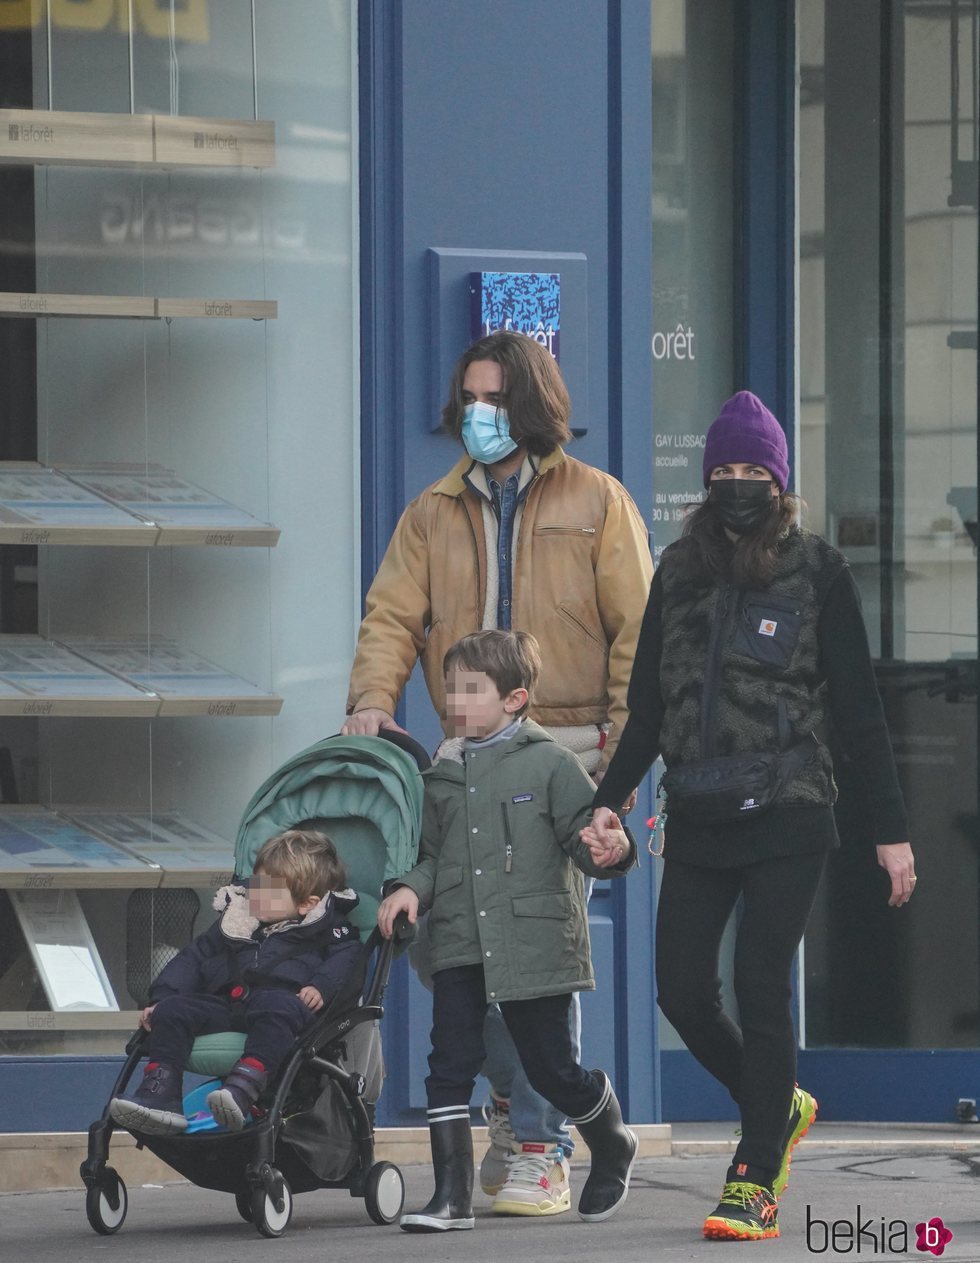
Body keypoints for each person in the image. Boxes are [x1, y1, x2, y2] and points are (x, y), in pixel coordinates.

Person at [590, 391, 917, 1242]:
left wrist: (891, 832)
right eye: (724, 471)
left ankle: (754, 1173)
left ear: (780, 480)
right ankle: (777, 1103)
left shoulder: (820, 571)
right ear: (707, 482)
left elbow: (859, 713)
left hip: (790, 808)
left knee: (762, 986)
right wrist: (608, 797)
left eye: (754, 471)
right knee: (682, 989)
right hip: (698, 811)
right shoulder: (677, 570)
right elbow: (648, 707)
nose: (739, 484)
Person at [342, 329, 652, 1214]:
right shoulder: (431, 512)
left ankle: (541, 1142)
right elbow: (392, 614)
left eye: (494, 398)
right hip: (460, 752)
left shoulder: (599, 501)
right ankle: (523, 1114)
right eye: (468, 398)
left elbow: (641, 635)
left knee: (532, 950)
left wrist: (623, 766)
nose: (478, 414)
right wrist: (372, 695)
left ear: (531, 402)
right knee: (455, 953)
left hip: (564, 753)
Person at [377, 629, 638, 1233]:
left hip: (533, 946)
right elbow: (431, 856)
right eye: (449, 690)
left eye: (471, 690)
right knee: (448, 1064)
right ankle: (450, 1198)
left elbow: (586, 841)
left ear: (515, 698)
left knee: (549, 1070)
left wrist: (612, 849)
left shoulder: (552, 763)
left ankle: (612, 1139)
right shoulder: (441, 775)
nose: (455, 702)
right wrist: (410, 889)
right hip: (462, 942)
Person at [109, 829, 361, 1136]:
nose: (255, 894)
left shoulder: (329, 931)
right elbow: (194, 958)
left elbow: (347, 960)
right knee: (172, 1010)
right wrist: (161, 998)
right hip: (231, 1003)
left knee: (279, 1006)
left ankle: (243, 1087)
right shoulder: (237, 921)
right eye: (256, 884)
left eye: (268, 890)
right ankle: (160, 1094)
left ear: (307, 904)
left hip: (282, 1007)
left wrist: (321, 985)